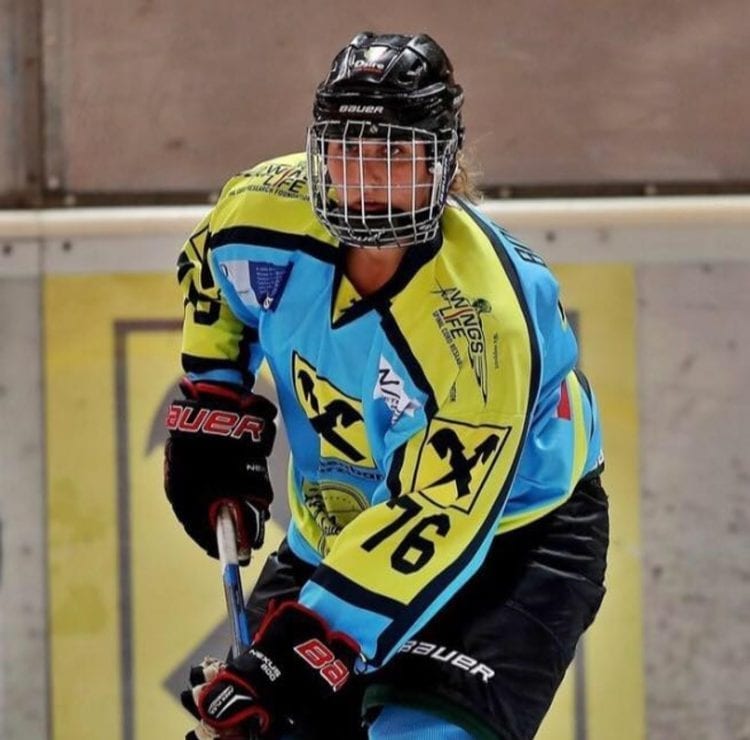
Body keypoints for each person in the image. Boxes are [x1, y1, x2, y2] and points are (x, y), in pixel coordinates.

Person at [164, 31, 609, 740]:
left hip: (514, 540)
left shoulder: (481, 321)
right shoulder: (261, 209)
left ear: (441, 163)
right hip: (343, 529)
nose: (366, 179)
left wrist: (302, 649)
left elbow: (439, 514)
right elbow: (214, 284)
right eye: (347, 152)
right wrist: (214, 401)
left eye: (394, 155)